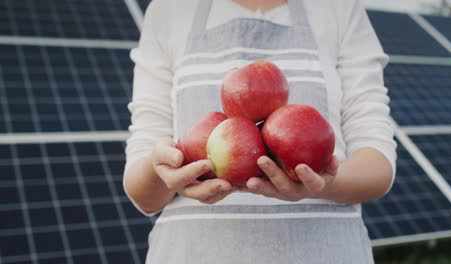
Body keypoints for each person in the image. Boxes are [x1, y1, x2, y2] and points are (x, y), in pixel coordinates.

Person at [123, 0, 397, 263]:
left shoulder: (339, 7)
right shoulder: (168, 10)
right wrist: (161, 169)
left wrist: (322, 185)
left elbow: (377, 166)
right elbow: (143, 192)